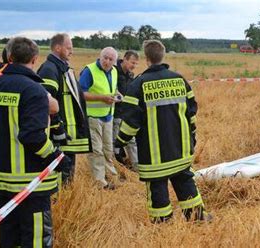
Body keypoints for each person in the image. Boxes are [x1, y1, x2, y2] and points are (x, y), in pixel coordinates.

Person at [0, 37, 71, 248]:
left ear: (10, 57)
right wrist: (56, 157)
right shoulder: (34, 90)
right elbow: (33, 136)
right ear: (34, 59)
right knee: (36, 239)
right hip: (31, 183)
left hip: (2, 179)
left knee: (9, 238)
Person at [114, 40, 211, 222]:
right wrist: (192, 138)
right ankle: (198, 218)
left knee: (158, 191)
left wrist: (119, 143)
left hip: (154, 158)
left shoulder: (138, 85)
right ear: (162, 56)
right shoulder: (179, 80)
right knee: (186, 183)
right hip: (181, 151)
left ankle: (162, 226)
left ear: (147, 58)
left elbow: (130, 123)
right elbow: (192, 114)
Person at [37, 33, 91, 185]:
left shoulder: (63, 69)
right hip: (59, 135)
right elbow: (45, 103)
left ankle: (66, 203)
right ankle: (60, 205)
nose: (71, 51)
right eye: (68, 48)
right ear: (57, 47)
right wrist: (57, 129)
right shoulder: (49, 70)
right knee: (61, 178)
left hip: (67, 135)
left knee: (68, 177)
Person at [80, 47, 119, 189]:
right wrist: (102, 98)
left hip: (108, 116)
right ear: (100, 56)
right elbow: (81, 94)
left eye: (111, 59)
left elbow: (112, 89)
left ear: (115, 61)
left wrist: (117, 95)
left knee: (108, 149)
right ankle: (100, 183)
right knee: (96, 150)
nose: (107, 61)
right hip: (93, 117)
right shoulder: (89, 71)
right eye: (105, 58)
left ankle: (111, 177)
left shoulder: (114, 71)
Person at [113, 50, 139, 171]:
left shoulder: (131, 75)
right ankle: (119, 167)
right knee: (115, 142)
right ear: (124, 59)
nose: (133, 66)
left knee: (131, 139)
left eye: (136, 64)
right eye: (132, 62)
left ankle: (136, 166)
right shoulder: (113, 72)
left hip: (127, 113)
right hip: (115, 113)